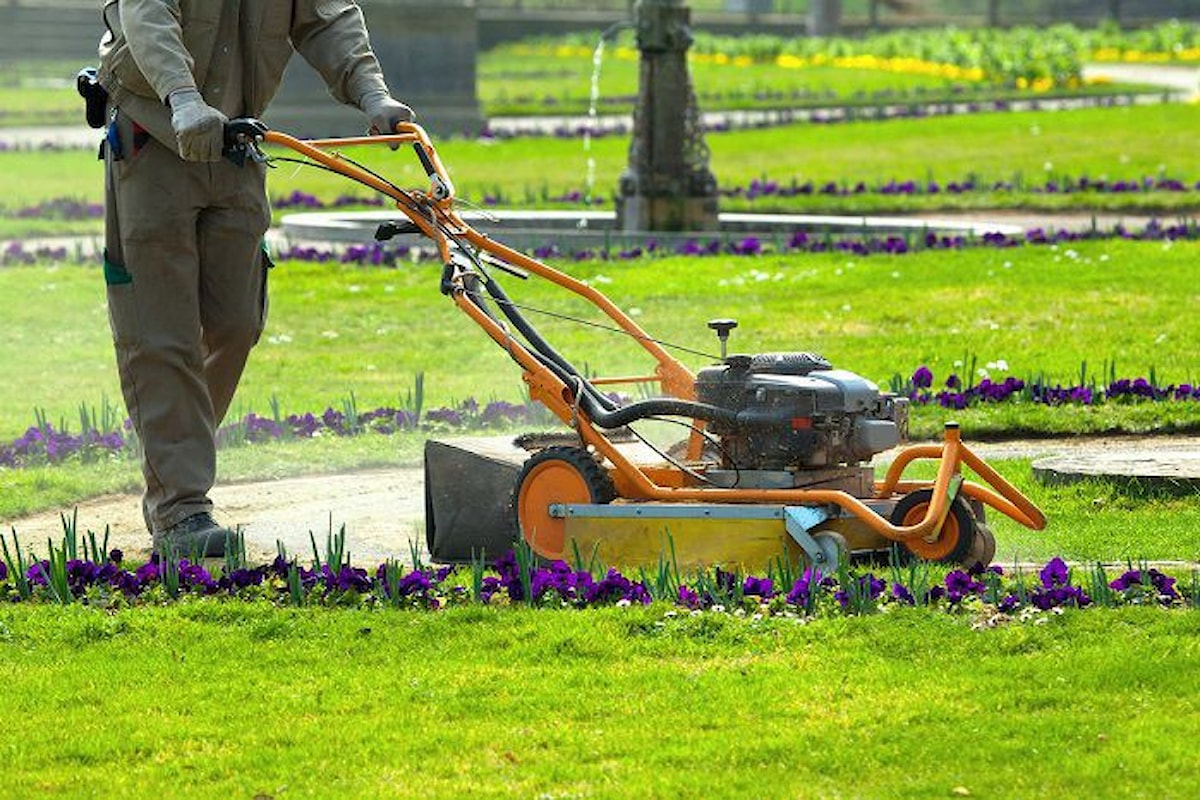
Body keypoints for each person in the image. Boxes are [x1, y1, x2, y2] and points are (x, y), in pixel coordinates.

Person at [95, 1, 413, 557]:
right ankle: (180, 508)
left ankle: (174, 451)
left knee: (236, 323)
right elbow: (147, 16)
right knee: (161, 331)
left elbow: (328, 19)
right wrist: (183, 98)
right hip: (156, 137)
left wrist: (373, 95)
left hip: (236, 146)